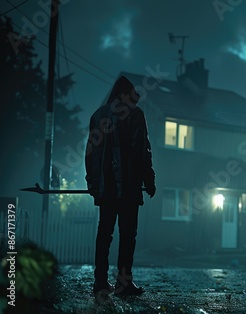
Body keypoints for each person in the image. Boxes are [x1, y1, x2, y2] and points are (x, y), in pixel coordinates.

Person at [85, 76, 156, 296]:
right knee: (127, 235)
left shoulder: (98, 116)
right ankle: (124, 283)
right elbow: (141, 150)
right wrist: (149, 179)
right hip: (128, 187)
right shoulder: (135, 115)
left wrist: (93, 182)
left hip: (106, 188)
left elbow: (90, 152)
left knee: (104, 233)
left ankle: (100, 283)